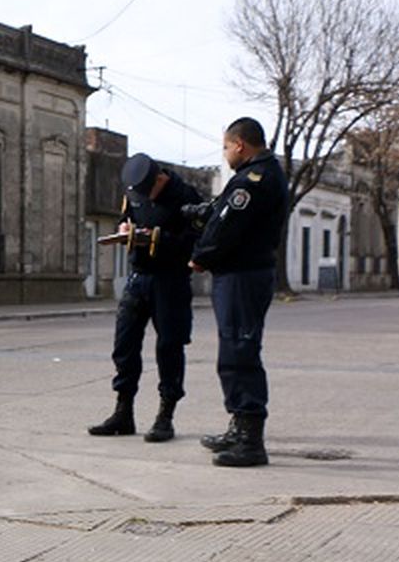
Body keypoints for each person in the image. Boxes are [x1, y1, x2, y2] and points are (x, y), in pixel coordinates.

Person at [189, 117, 288, 468]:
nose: (226, 154)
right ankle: (238, 426)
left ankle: (250, 440)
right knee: (234, 348)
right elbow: (220, 216)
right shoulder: (258, 175)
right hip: (241, 273)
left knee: (240, 351)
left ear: (240, 145)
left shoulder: (254, 180)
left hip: (243, 275)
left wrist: (200, 257)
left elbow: (227, 226)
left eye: (226, 147)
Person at [88, 153, 204, 442]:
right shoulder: (134, 191)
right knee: (124, 345)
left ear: (160, 180)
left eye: (147, 191)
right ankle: (123, 412)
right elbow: (127, 216)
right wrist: (125, 229)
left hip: (171, 280)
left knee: (169, 347)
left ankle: (166, 416)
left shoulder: (186, 197)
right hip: (138, 277)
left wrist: (157, 237)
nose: (142, 197)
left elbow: (194, 244)